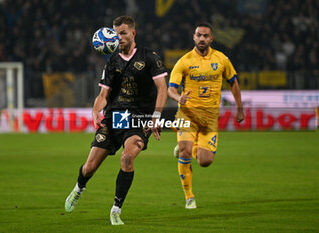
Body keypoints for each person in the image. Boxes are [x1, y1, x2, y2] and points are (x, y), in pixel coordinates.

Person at [64, 16, 168, 225]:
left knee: (127, 159)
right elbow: (103, 95)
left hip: (139, 118)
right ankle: (78, 188)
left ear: (133, 33)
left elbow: (162, 89)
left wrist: (156, 117)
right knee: (89, 168)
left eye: (123, 33)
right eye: (116, 33)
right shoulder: (112, 62)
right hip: (115, 116)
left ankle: (115, 209)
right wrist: (95, 110)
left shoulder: (149, 57)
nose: (119, 37)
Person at [168, 22, 244, 209]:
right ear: (194, 37)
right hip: (187, 114)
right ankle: (189, 197)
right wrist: (179, 97)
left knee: (205, 161)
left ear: (211, 38)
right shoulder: (184, 61)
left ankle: (190, 145)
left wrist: (240, 109)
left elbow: (233, 82)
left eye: (205, 36)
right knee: (185, 152)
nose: (202, 38)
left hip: (210, 117)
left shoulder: (221, 59)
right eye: (198, 35)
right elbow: (171, 88)